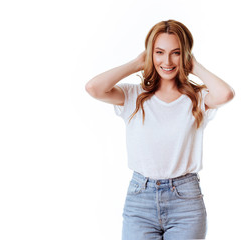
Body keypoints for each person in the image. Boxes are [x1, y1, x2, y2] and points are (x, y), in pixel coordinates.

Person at [85, 19, 235, 240]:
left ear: (185, 55)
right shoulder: (133, 96)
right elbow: (93, 88)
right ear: (150, 54)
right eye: (159, 52)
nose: (167, 60)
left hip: (185, 201)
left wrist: (195, 66)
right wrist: (137, 63)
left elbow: (226, 94)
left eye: (176, 53)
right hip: (140, 200)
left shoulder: (196, 98)